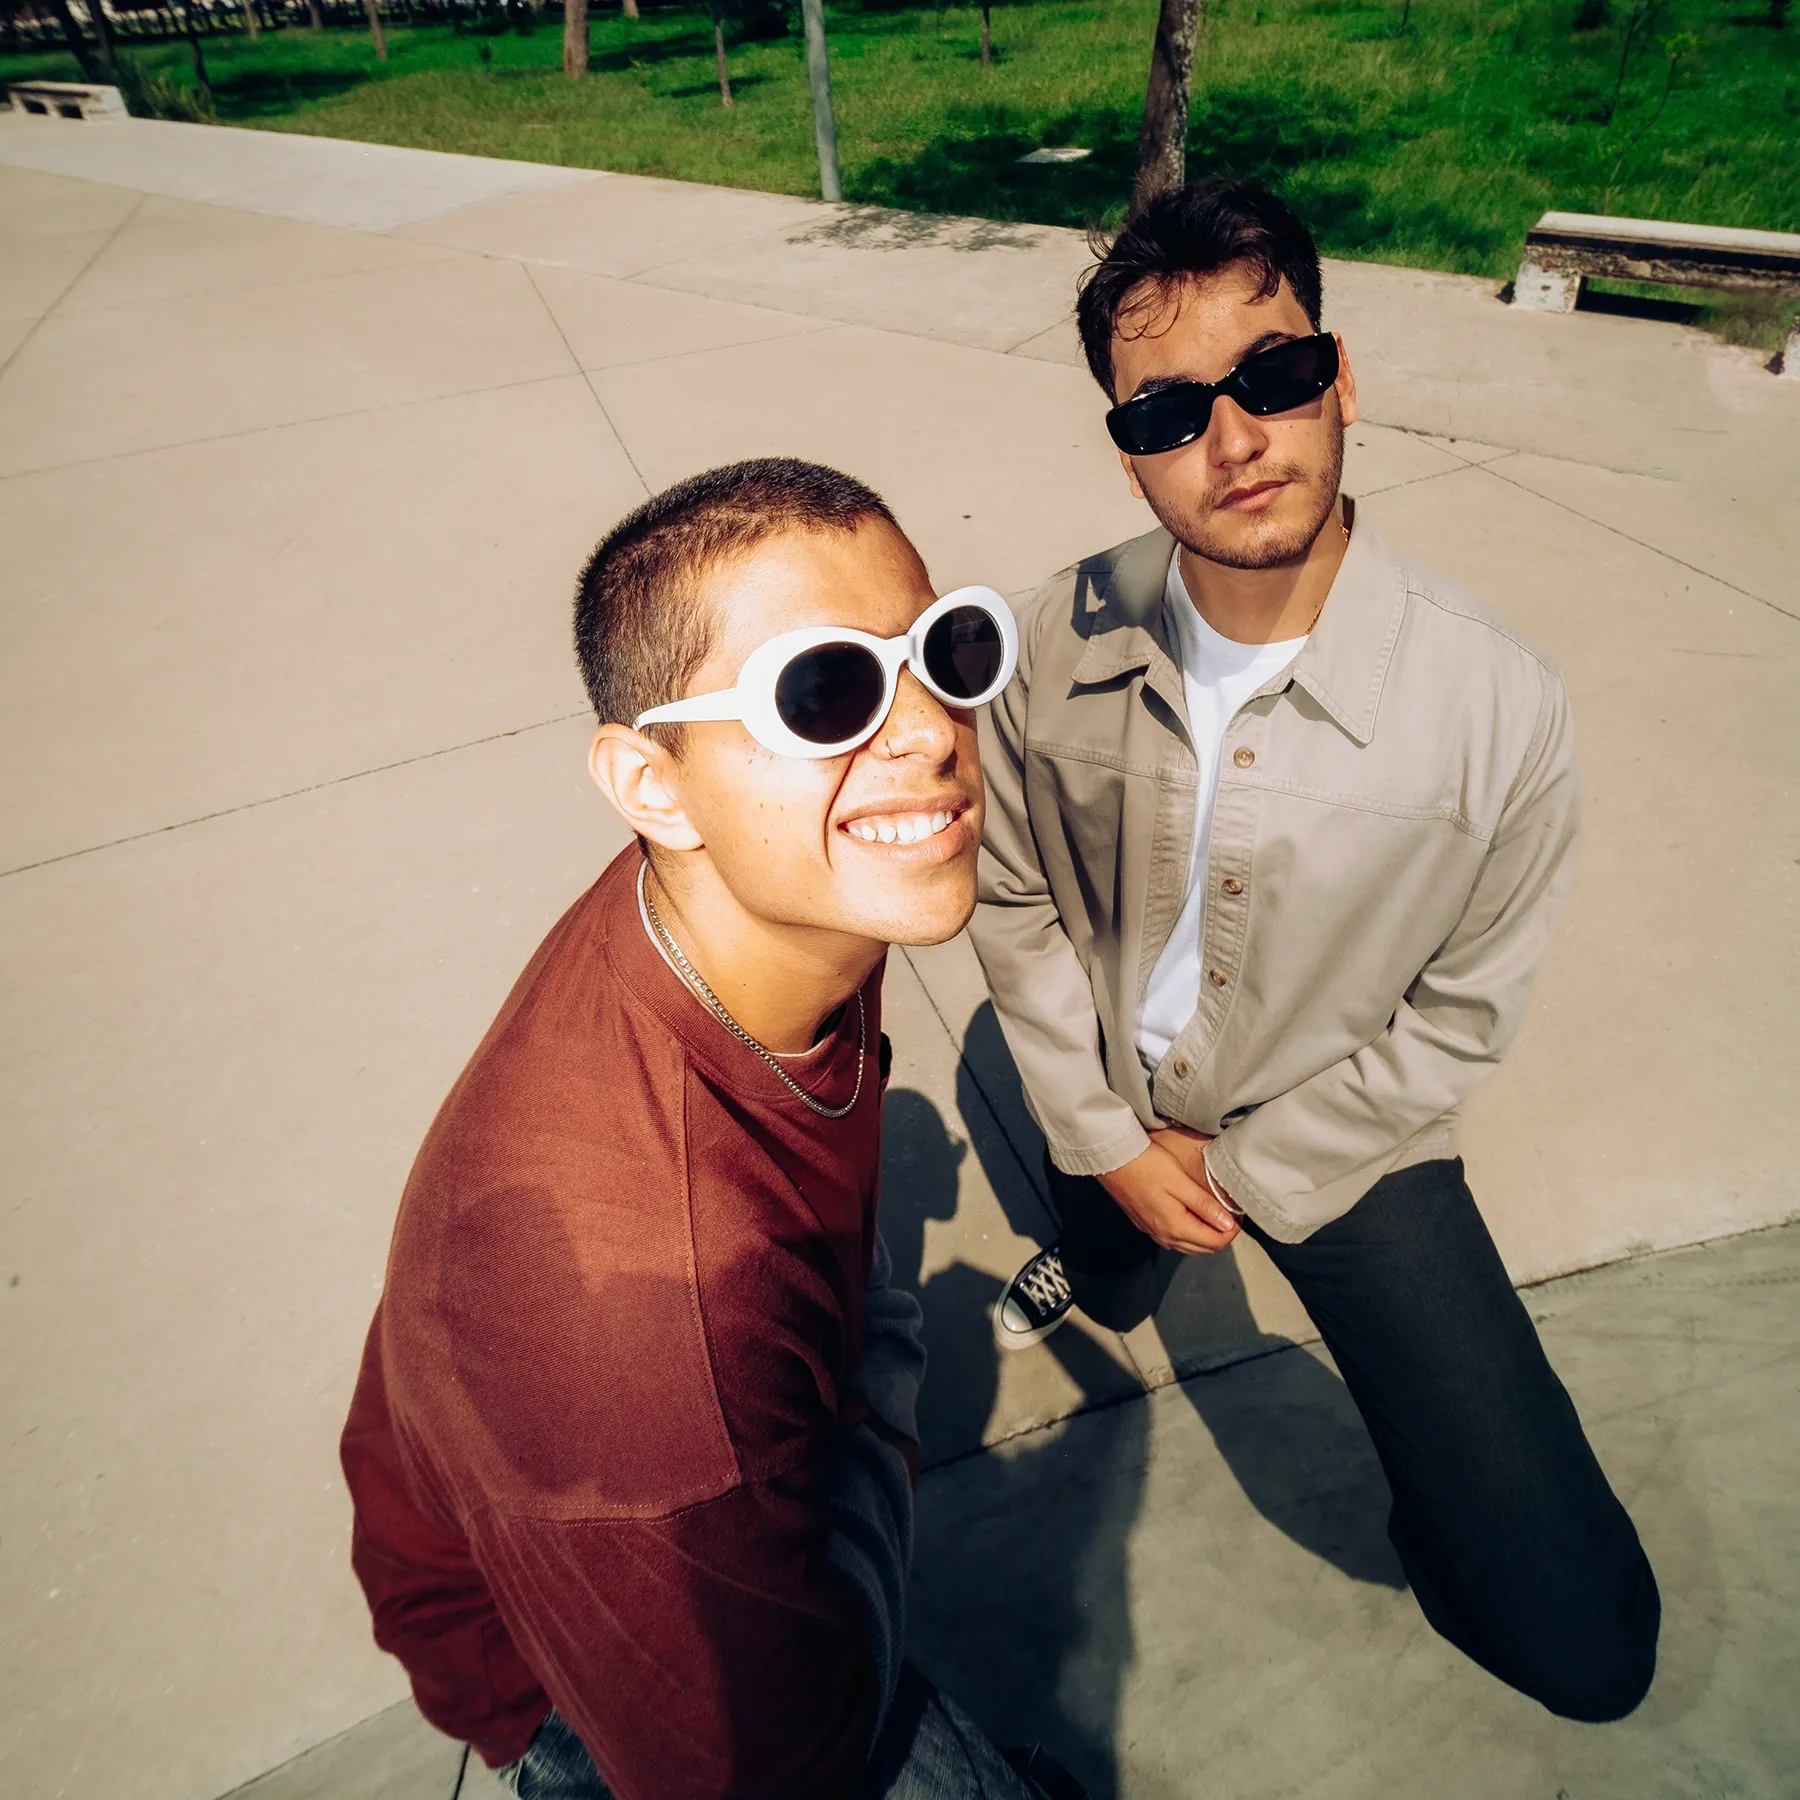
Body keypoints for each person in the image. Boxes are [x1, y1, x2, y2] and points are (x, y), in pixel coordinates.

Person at [970, 180, 1660, 1723]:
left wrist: (1239, 1164)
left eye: (1273, 377)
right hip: (1110, 1097)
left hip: (1337, 1138)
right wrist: (1102, 1137)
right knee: (1114, 1240)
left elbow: (1461, 1022)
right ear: (1125, 443)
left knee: (1587, 1644)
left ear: (1339, 378)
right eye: (1167, 409)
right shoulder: (1053, 643)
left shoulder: (1499, 706)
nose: (1235, 440)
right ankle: (1101, 1246)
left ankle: (1145, 1226)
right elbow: (1009, 899)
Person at [340, 459, 1083, 1800]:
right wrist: (880, 1394)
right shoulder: (647, 1358)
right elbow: (770, 1773)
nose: (928, 731)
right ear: (654, 785)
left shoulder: (767, 906)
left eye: (944, 650)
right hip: (619, 1698)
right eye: (826, 689)